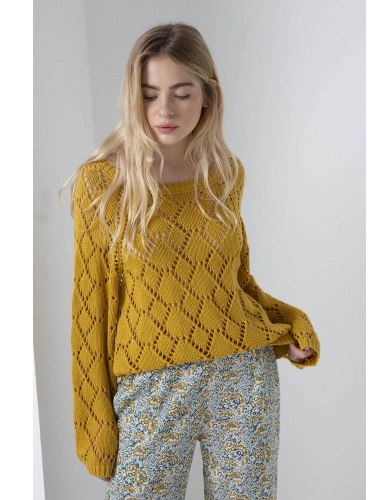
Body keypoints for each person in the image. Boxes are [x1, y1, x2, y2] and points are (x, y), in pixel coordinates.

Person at [65, 22, 320, 500]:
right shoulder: (103, 183)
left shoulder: (224, 174)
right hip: (152, 388)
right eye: (149, 94)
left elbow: (234, 283)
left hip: (242, 379)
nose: (164, 109)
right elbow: (89, 310)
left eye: (182, 93)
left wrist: (286, 323)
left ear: (207, 96)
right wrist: (95, 429)